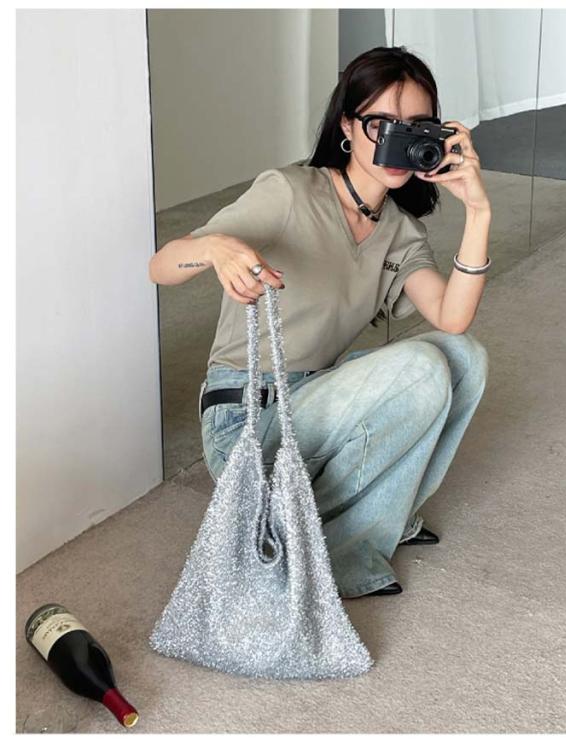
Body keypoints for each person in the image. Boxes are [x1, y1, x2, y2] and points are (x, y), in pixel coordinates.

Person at [148, 45, 491, 600]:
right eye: (381, 124)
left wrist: (478, 210)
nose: (397, 142)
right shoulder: (290, 192)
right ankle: (329, 537)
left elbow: (454, 317)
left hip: (318, 398)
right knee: (422, 368)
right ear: (347, 127)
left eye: (415, 127)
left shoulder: (399, 231)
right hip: (247, 420)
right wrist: (213, 247)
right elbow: (161, 267)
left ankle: (351, 526)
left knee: (464, 358)